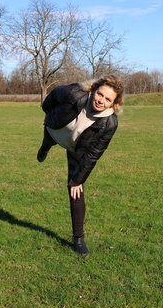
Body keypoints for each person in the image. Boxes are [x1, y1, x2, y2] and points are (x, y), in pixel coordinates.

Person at [37, 75, 124, 255]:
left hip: (77, 146)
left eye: (108, 99)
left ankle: (78, 239)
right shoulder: (74, 94)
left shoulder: (110, 123)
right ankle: (45, 148)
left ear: (114, 104)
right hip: (56, 131)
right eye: (100, 94)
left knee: (76, 189)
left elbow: (93, 154)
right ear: (93, 90)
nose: (101, 100)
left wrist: (77, 180)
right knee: (48, 141)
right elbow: (53, 95)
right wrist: (48, 113)